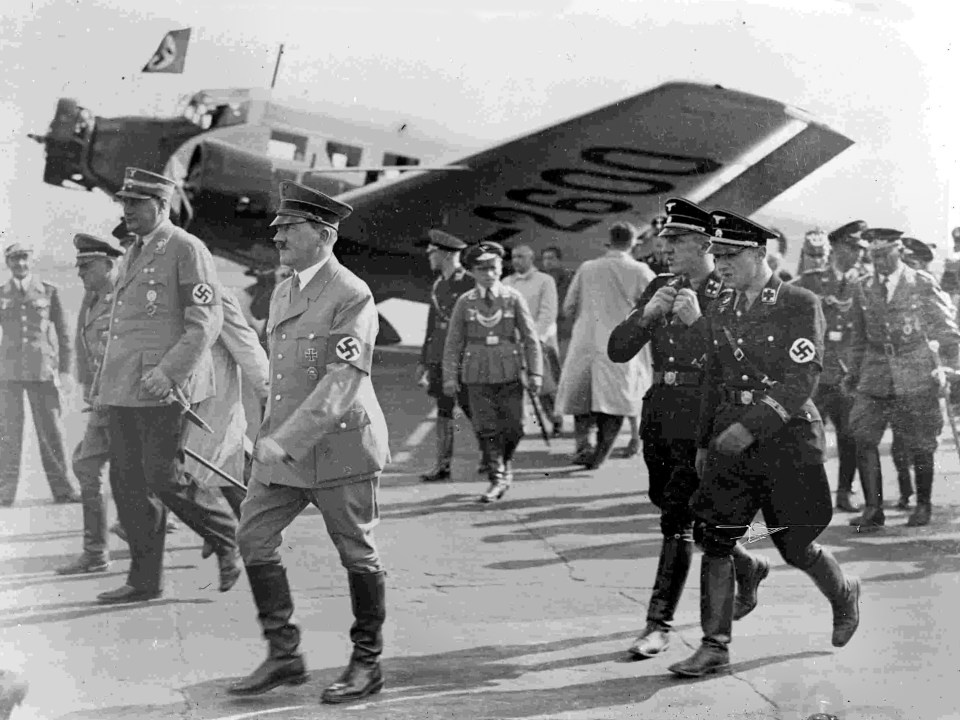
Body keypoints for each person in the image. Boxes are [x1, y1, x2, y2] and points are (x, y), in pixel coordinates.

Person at [671, 209, 860, 678]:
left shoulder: (799, 301)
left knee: (794, 543)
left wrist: (750, 427)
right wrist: (703, 440)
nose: (722, 263)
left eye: (731, 255)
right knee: (715, 535)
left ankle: (843, 593)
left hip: (786, 437)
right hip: (731, 434)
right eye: (717, 254)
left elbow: (801, 380)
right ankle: (714, 645)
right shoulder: (723, 305)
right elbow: (713, 376)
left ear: (759, 254)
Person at [229, 181, 390, 704]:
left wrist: (286, 439)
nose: (276, 236)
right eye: (276, 228)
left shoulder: (352, 293)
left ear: (322, 234)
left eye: (288, 228)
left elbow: (342, 380)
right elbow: (280, 377)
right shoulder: (283, 288)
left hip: (340, 447)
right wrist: (263, 434)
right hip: (283, 452)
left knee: (357, 555)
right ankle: (284, 655)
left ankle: (367, 664)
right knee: (252, 537)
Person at [607, 199, 769, 660]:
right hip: (661, 409)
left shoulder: (730, 290)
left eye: (676, 241)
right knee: (679, 509)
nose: (665, 247)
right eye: (665, 239)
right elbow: (618, 351)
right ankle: (747, 564)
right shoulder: (661, 285)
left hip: (707, 415)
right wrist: (645, 317)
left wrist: (698, 324)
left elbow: (744, 363)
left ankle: (657, 624)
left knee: (676, 519)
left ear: (705, 245)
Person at [93, 167, 240, 604]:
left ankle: (228, 535)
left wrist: (170, 373)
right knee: (127, 483)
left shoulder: (185, 248)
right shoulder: (135, 251)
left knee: (163, 475)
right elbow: (125, 328)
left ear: (161, 204)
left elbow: (205, 321)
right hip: (123, 386)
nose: (127, 212)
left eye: (135, 204)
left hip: (162, 386)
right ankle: (144, 580)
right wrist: (101, 385)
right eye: (124, 203)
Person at [846, 228, 960, 529]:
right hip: (874, 374)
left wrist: (946, 368)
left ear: (899, 252)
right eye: (874, 256)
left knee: (922, 442)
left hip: (915, 372)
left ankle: (922, 504)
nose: (879, 261)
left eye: (885, 254)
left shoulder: (921, 283)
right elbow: (858, 335)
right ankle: (874, 509)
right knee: (863, 437)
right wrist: (853, 372)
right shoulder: (863, 286)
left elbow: (948, 333)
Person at [442, 242, 542, 503]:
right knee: (486, 427)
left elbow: (531, 339)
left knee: (516, 426)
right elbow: (453, 343)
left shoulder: (512, 298)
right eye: (482, 269)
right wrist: (450, 377)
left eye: (493, 268)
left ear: (500, 269)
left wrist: (536, 374)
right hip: (476, 374)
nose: (488, 273)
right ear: (473, 272)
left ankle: (504, 463)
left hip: (509, 371)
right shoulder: (465, 302)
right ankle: (497, 478)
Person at [555, 223, 654, 468]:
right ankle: (599, 455)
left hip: (586, 342)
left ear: (609, 240)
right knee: (616, 402)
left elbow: (567, 307)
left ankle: (582, 447)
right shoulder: (641, 271)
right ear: (633, 243)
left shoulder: (587, 268)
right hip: (621, 343)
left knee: (582, 397)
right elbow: (656, 307)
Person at [184, 284, 270, 560]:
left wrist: (268, 390)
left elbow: (245, 344)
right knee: (212, 463)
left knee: (216, 462)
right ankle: (227, 530)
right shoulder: (169, 291)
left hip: (214, 395)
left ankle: (240, 532)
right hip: (181, 395)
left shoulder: (215, 294)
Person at [56, 235, 125, 575]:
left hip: (124, 402)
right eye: (79, 266)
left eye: (87, 266)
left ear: (110, 264)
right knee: (87, 465)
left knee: (166, 479)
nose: (80, 272)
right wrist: (89, 387)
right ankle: (95, 552)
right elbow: (88, 345)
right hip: (105, 402)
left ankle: (222, 537)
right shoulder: (95, 297)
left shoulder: (125, 299)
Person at [790, 222, 869, 513]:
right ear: (835, 247)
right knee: (806, 436)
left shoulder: (864, 282)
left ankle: (845, 491)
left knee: (850, 437)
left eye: (860, 249)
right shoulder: (810, 281)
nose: (857, 254)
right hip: (815, 375)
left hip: (848, 376)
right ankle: (804, 492)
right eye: (852, 248)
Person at [0, 243, 80, 506]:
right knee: (8, 433)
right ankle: (4, 493)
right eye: (14, 260)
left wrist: (67, 371)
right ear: (7, 263)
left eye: (23, 259)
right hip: (9, 373)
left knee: (51, 432)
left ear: (31, 261)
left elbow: (65, 336)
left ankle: (64, 489)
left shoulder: (48, 290)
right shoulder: (2, 293)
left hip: (43, 371)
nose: (20, 264)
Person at [415, 229, 477, 482]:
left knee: (473, 408)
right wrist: (423, 361)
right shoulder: (439, 284)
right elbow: (432, 326)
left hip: (463, 357)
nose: (429, 256)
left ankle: (493, 457)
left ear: (444, 254)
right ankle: (442, 465)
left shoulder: (470, 282)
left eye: (432, 252)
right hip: (440, 356)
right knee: (444, 408)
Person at [502, 244, 562, 436]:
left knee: (546, 388)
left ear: (531, 259)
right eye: (514, 257)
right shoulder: (506, 282)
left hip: (541, 343)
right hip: (514, 343)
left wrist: (533, 340)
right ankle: (518, 424)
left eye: (521, 257)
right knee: (514, 386)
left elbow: (548, 313)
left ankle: (556, 419)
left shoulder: (545, 281)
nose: (516, 261)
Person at [540, 246, 575, 366]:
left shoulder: (571, 277)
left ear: (559, 260)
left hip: (565, 330)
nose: (547, 262)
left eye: (551, 258)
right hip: (546, 331)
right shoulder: (540, 279)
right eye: (544, 259)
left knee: (565, 365)